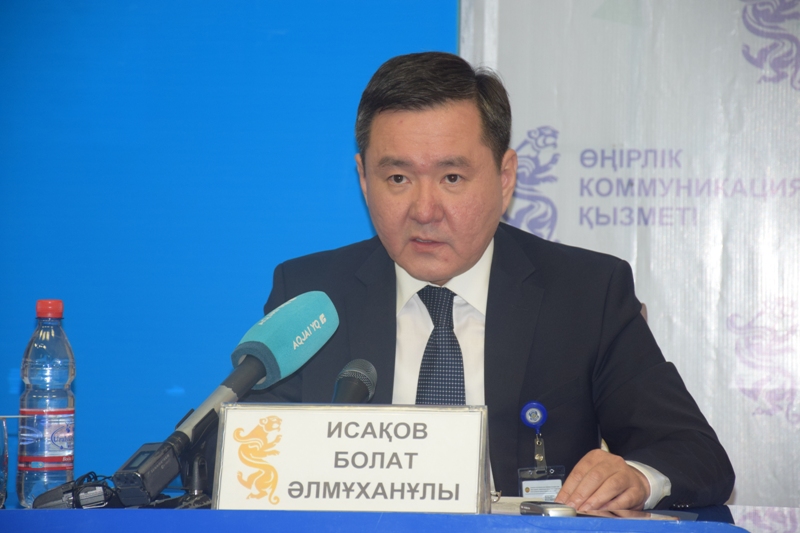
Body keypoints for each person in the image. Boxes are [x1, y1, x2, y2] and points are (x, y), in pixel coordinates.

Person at [244, 52, 735, 511]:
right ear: (363, 178)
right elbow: (240, 457)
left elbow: (695, 454)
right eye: (397, 179)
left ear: (505, 177)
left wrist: (637, 477)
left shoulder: (586, 294)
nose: (424, 210)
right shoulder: (312, 297)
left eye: (452, 178)